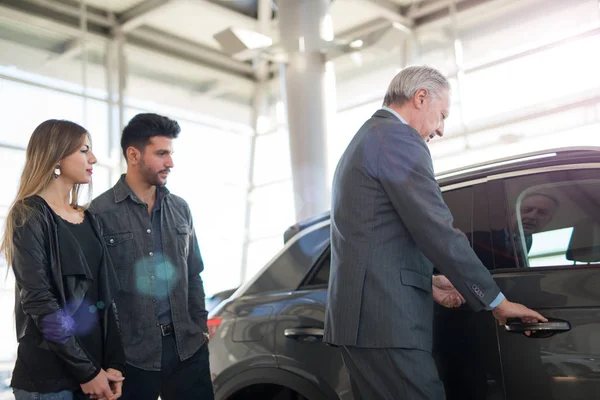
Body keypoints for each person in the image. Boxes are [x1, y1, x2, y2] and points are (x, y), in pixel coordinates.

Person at [323, 66, 547, 400]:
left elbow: (372, 236)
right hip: (386, 326)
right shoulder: (397, 139)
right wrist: (497, 302)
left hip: (365, 323)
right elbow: (437, 230)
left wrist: (426, 281)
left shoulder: (368, 138)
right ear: (421, 97)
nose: (441, 130)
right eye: (441, 115)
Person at [89, 113, 213, 400]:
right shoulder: (99, 213)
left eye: (170, 153)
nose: (170, 162)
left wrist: (200, 327)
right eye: (161, 153)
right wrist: (107, 355)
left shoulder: (181, 208)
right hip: (131, 356)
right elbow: (96, 291)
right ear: (133, 155)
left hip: (187, 348)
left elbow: (194, 272)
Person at [1, 120, 125, 400]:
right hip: (50, 381)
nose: (93, 158)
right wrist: (87, 372)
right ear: (57, 156)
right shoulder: (29, 214)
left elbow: (105, 299)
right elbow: (39, 301)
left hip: (95, 377)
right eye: (84, 150)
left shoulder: (90, 219)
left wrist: (114, 365)